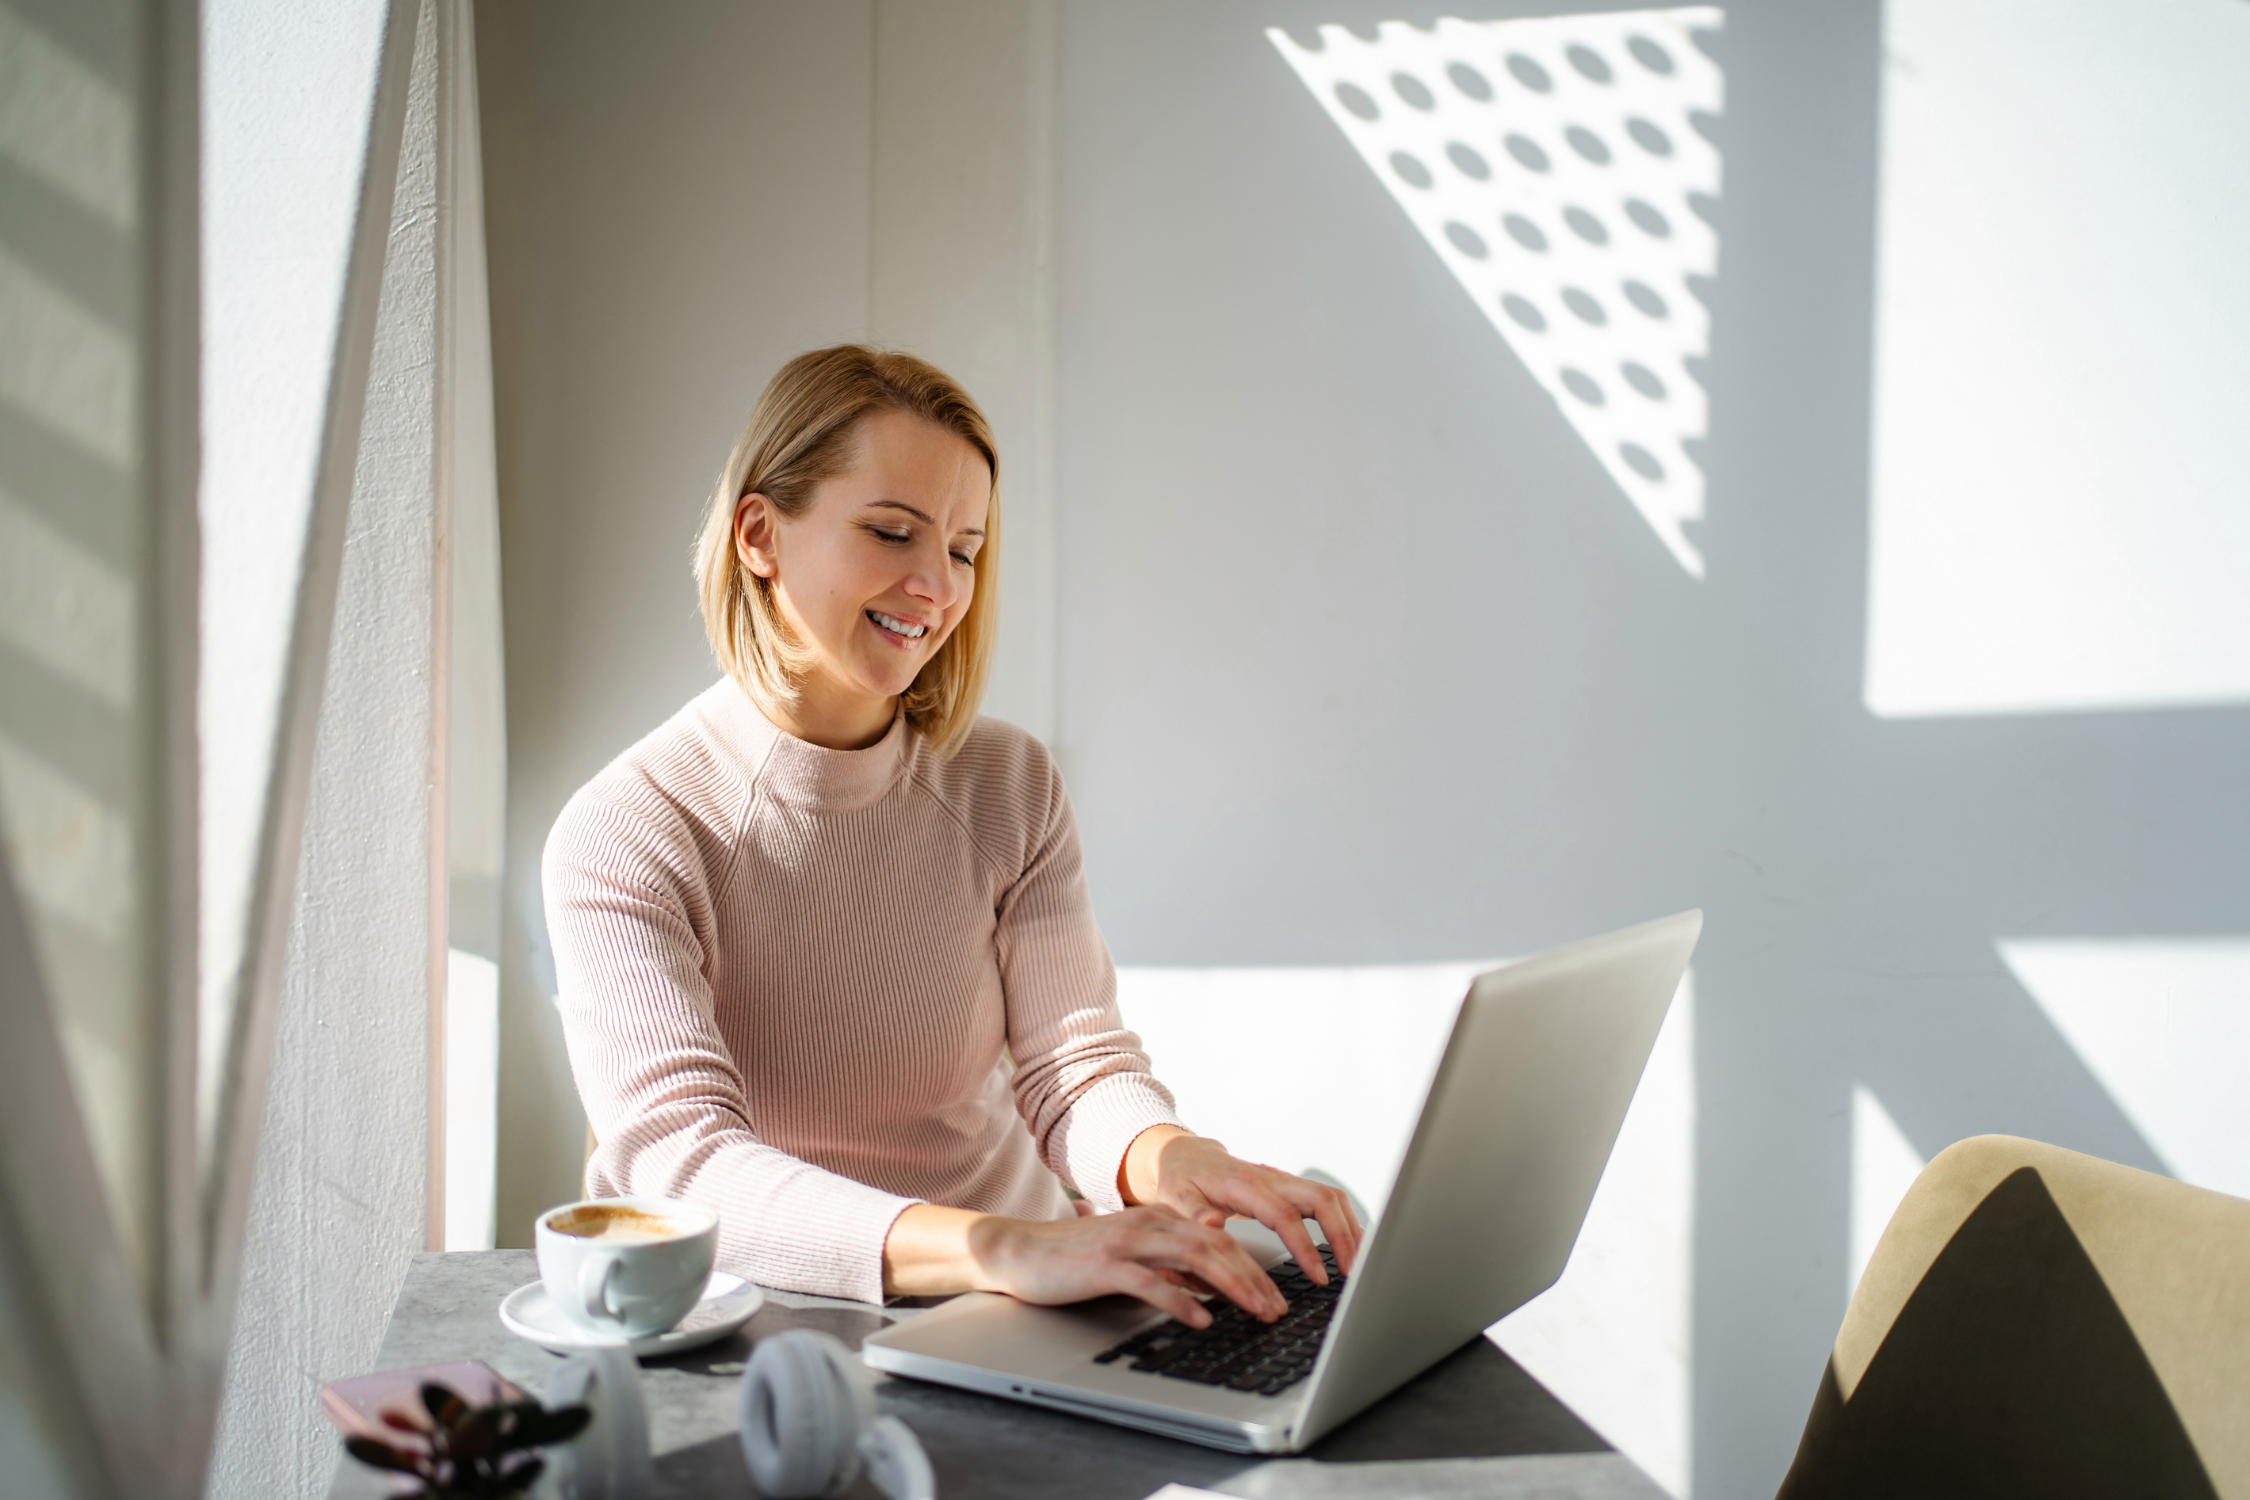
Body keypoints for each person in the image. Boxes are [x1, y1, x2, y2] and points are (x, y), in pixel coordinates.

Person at [545, 345, 1358, 1329]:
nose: (936, 585)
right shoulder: (627, 832)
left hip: (1045, 1299)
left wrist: (1172, 1162)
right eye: (893, 532)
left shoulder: (1007, 784)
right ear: (759, 533)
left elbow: (1077, 1071)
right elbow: (685, 1170)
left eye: (965, 549)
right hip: (807, 1321)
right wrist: (996, 1247)